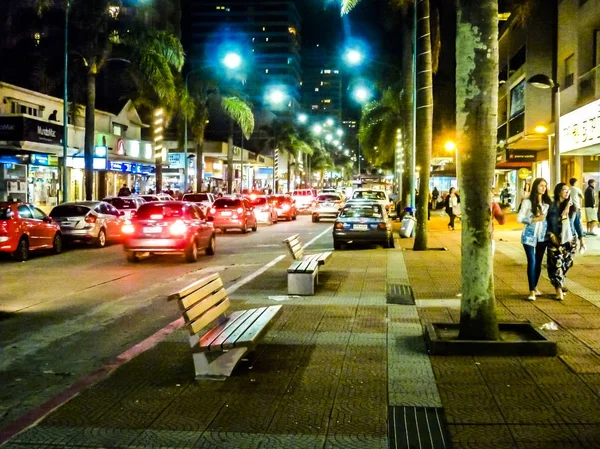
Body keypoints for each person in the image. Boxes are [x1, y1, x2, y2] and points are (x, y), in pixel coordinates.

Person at [517, 177, 551, 301]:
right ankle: (531, 290)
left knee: (538, 262)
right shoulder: (527, 202)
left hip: (542, 237)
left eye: (545, 186)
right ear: (535, 186)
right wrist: (533, 220)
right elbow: (519, 218)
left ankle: (535, 286)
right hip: (529, 236)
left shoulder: (547, 203)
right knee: (532, 261)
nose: (543, 188)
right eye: (541, 185)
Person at [546, 183, 577, 301]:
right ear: (558, 191)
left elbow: (576, 222)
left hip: (569, 240)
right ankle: (558, 290)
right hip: (555, 239)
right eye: (564, 190)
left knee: (566, 263)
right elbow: (546, 222)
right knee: (556, 264)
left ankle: (560, 282)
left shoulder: (572, 206)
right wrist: (550, 234)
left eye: (568, 190)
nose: (567, 192)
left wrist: (581, 238)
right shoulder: (551, 206)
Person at [568, 177, 586, 253]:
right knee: (577, 224)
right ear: (575, 182)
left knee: (571, 223)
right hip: (577, 207)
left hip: (570, 208)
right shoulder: (577, 189)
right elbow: (582, 197)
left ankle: (574, 241)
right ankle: (581, 242)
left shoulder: (568, 189)